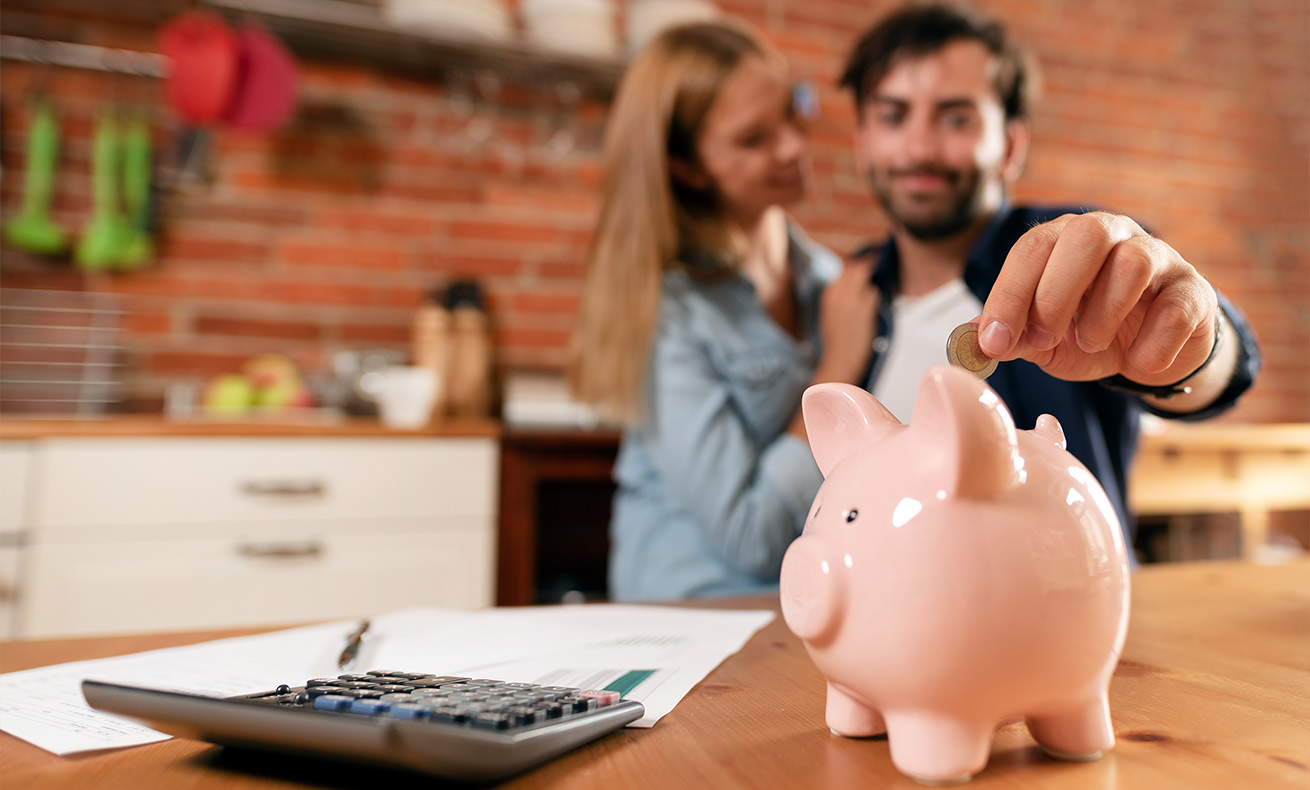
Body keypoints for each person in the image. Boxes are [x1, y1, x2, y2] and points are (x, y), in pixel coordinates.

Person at [839, 3, 1261, 545]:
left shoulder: (1085, 255)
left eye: (956, 118)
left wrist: (1192, 344)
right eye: (893, 116)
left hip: (1065, 607)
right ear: (861, 143)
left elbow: (1222, 368)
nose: (919, 148)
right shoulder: (842, 292)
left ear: (1011, 146)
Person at [568, 22, 880, 601]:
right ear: (688, 167)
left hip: (800, 609)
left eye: (791, 115)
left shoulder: (831, 283)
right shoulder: (668, 312)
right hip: (689, 625)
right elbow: (751, 536)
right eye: (753, 139)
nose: (793, 146)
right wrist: (838, 365)